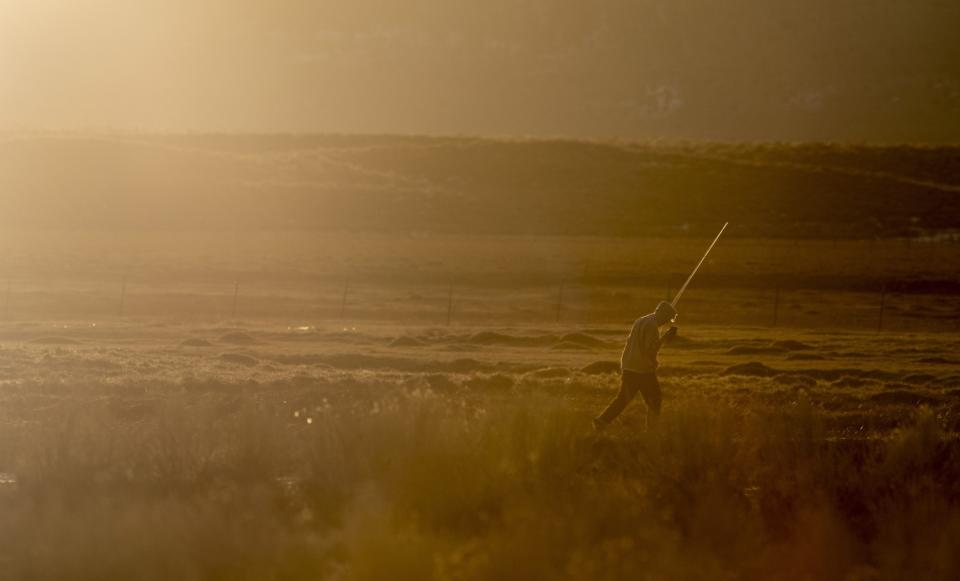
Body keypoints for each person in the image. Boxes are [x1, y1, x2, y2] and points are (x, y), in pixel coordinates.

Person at [594, 301, 678, 431]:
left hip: (629, 365)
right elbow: (650, 350)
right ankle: (652, 431)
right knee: (655, 399)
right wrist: (665, 339)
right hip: (642, 370)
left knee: (623, 399)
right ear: (663, 313)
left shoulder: (641, 320)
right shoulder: (652, 326)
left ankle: (601, 421)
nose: (667, 322)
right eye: (667, 318)